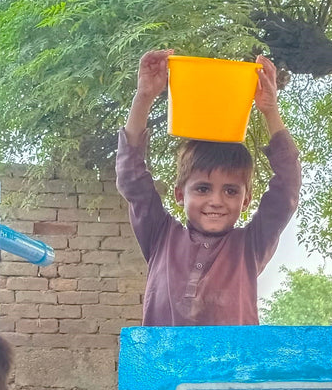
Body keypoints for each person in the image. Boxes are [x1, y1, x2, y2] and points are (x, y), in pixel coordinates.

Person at [117, 48, 301, 325]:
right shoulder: (160, 236)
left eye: (231, 191)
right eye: (202, 189)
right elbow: (132, 178)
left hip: (232, 368)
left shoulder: (250, 246)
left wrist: (271, 111)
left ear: (246, 199)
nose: (216, 200)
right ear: (180, 194)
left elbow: (287, 188)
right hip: (166, 366)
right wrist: (144, 97)